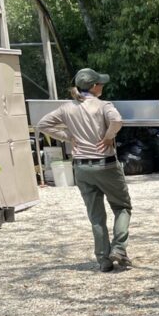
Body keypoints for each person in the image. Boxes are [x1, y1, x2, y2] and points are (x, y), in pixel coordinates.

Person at [36, 68, 131, 272]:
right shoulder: (104, 105)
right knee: (122, 207)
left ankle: (103, 260)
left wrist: (68, 137)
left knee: (96, 216)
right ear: (94, 87)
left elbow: (43, 124)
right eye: (100, 83)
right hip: (105, 164)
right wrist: (107, 137)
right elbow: (117, 121)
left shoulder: (66, 108)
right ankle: (119, 248)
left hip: (81, 167)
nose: (102, 86)